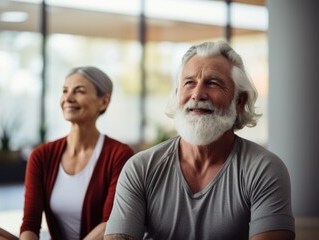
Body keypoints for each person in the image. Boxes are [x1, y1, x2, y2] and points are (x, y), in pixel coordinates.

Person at [104, 41, 295, 240]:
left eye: (212, 83)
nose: (197, 94)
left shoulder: (264, 169)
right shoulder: (140, 168)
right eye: (189, 83)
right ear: (178, 94)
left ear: (239, 101)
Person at [0, 66, 135, 240]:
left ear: (103, 101)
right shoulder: (42, 155)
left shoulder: (119, 155)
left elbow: (110, 225)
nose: (68, 98)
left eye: (79, 91)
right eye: (65, 91)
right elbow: (30, 224)